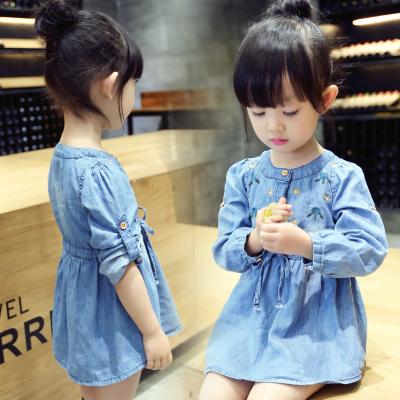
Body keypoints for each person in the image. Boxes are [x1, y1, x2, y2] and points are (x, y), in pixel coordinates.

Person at [200, 1, 388, 399]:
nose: (273, 125)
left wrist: (305, 244)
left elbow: (369, 249)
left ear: (324, 99)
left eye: (288, 110)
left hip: (315, 326)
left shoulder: (342, 177)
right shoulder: (244, 176)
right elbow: (224, 249)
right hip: (251, 321)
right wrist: (255, 240)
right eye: (258, 112)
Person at [35, 1, 181, 399]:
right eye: (133, 85)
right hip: (112, 314)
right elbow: (120, 265)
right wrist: (152, 332)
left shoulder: (62, 157)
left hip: (83, 306)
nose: (134, 95)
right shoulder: (98, 170)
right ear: (110, 85)